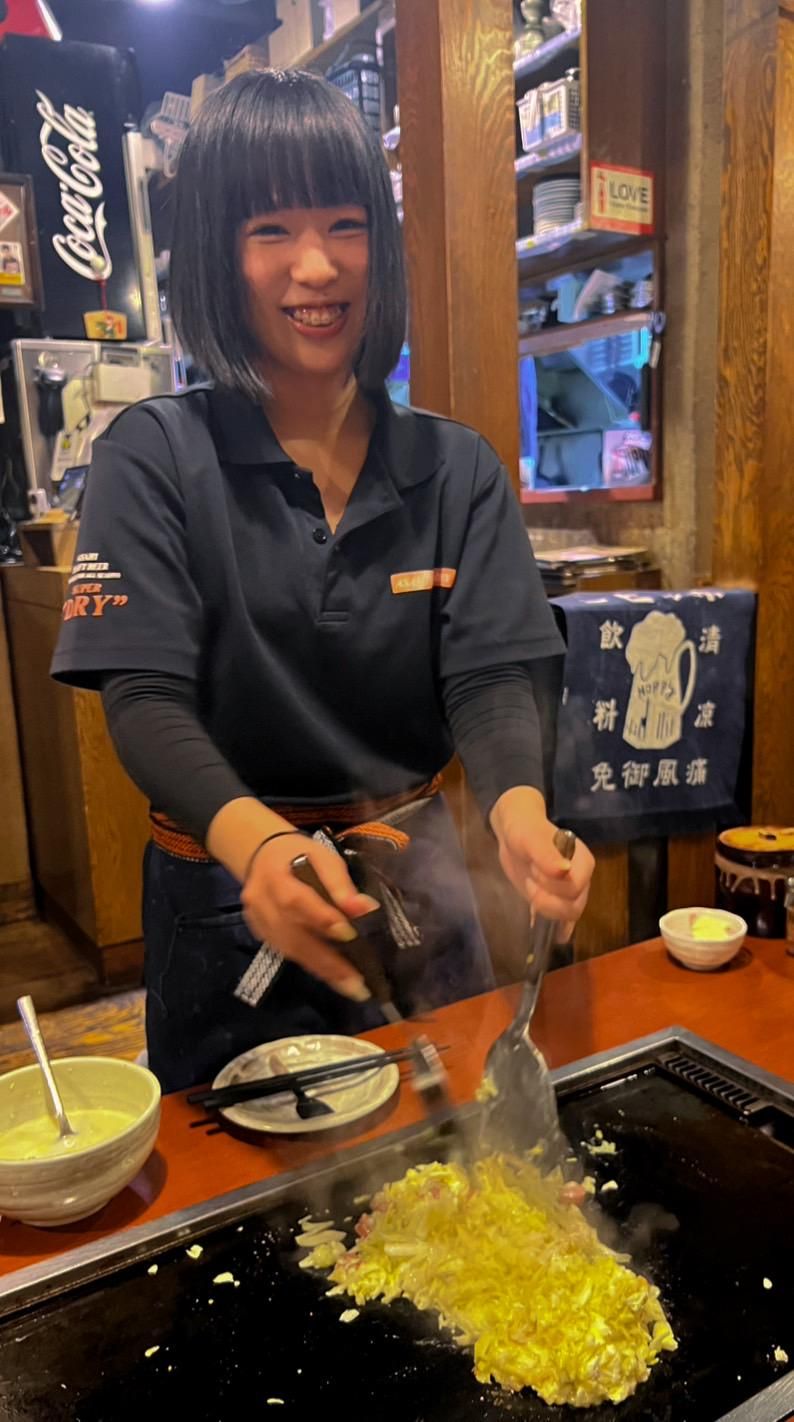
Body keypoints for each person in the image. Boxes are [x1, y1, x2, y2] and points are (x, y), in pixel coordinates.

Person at [52, 70, 594, 1093]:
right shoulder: (154, 454)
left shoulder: (455, 467)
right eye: (271, 231)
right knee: (242, 1176)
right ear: (216, 256)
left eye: (346, 225)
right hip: (229, 896)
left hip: (419, 888)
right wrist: (258, 846)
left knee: (458, 1152)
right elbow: (145, 697)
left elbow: (491, 676)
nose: (317, 265)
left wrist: (520, 813)